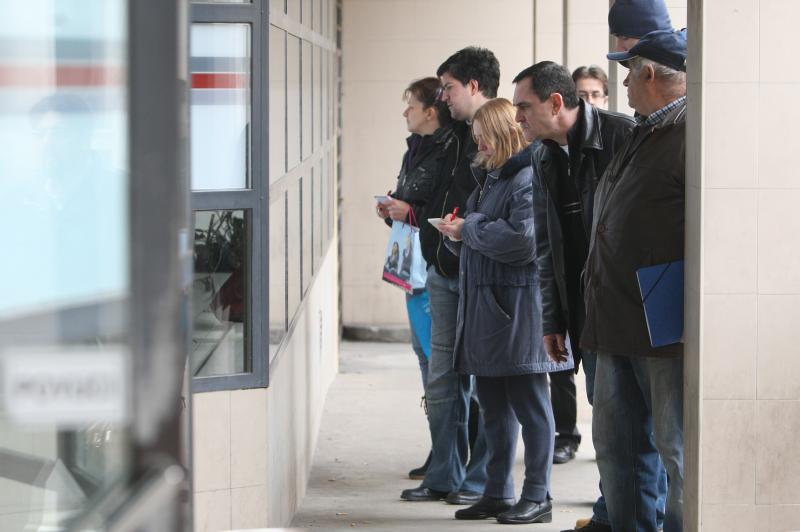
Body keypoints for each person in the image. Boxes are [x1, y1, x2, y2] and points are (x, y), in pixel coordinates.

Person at [511, 61, 635, 532]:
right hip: (584, 314)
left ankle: (627, 517)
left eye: (524, 107)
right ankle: (610, 513)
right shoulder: (543, 156)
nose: (517, 117)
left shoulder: (622, 136)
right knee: (607, 425)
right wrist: (552, 319)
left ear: (556, 102)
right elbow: (547, 245)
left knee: (635, 432)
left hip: (626, 311)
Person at [435, 97, 571, 524]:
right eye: (476, 138)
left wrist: (469, 228)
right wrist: (456, 237)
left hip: (519, 312)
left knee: (531, 407)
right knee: (494, 410)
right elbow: (487, 238)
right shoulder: (493, 178)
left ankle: (538, 495)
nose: (479, 145)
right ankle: (497, 492)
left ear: (504, 134)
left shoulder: (526, 177)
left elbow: (524, 242)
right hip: (491, 312)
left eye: (484, 137)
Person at [582, 28, 688, 532]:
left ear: (649, 73)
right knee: (615, 447)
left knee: (675, 449)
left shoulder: (693, 134)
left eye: (627, 73)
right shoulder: (643, 131)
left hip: (661, 323)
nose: (622, 83)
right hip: (614, 317)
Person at [400, 46, 498, 505]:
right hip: (442, 271)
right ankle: (443, 475)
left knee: (484, 381)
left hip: (483, 278)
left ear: (474, 86)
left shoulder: (506, 134)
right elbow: (421, 189)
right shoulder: (449, 137)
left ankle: (480, 479)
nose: (442, 97)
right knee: (442, 379)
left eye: (450, 88)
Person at [376, 76, 454, 480]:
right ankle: (440, 450)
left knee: (438, 367)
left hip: (432, 269)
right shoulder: (417, 148)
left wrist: (410, 212)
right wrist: (393, 208)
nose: (405, 112)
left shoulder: (447, 151)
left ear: (430, 111)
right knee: (425, 361)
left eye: (411, 105)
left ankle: (450, 454)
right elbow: (412, 200)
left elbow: (445, 210)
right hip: (412, 269)